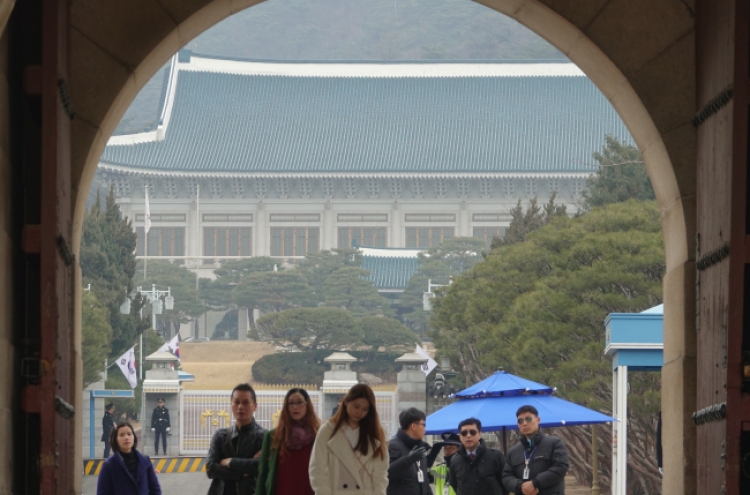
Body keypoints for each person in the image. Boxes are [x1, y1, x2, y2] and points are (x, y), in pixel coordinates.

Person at [309, 384, 389, 495]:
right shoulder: (328, 431)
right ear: (346, 402)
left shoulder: (374, 434)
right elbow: (317, 469)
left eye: (365, 409)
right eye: (356, 406)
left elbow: (380, 475)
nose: (359, 412)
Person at [256, 388, 320, 495]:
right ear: (286, 407)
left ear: (307, 405)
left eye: (300, 402)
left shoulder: (318, 435)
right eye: (291, 403)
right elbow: (263, 473)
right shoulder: (273, 436)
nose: (295, 407)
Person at [206, 383, 267, 495]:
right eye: (236, 402)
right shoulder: (220, 436)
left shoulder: (264, 437)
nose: (240, 406)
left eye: (245, 402)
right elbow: (211, 468)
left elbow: (262, 465)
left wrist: (229, 462)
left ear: (255, 406)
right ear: (231, 405)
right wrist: (241, 474)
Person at [502, 405, 569, 495]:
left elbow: (560, 467)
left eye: (528, 419)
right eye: (520, 421)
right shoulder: (513, 452)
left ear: (538, 420)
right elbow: (506, 476)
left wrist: (535, 483)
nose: (524, 423)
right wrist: (520, 486)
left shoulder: (554, 443)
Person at [96, 421, 162, 495]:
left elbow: (155, 489)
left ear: (134, 437)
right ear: (115, 439)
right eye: (121, 435)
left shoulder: (145, 461)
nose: (126, 437)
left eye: (129, 434)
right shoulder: (109, 465)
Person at [386, 407, 440, 495]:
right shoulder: (393, 446)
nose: (425, 429)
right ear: (413, 426)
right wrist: (408, 460)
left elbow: (424, 482)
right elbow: (385, 474)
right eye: (423, 425)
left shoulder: (419, 448)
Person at [449, 418, 506, 495]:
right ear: (460, 436)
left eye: (472, 432)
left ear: (479, 434)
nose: (468, 436)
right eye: (464, 433)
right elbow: (454, 484)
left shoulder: (495, 456)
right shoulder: (455, 460)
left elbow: (505, 482)